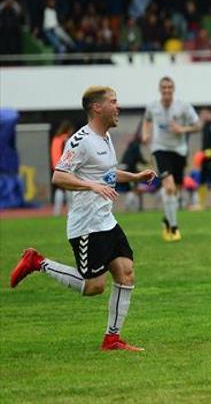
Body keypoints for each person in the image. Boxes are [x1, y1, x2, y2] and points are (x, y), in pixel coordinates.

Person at [9, 86, 157, 351]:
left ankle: (112, 339)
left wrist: (134, 177)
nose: (118, 106)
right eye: (113, 102)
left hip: (106, 221)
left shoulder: (106, 138)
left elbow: (106, 174)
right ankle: (37, 262)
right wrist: (91, 186)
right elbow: (59, 176)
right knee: (94, 287)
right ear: (97, 107)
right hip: (86, 226)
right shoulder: (79, 140)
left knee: (126, 273)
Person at [142, 76, 201, 242]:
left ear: (173, 89)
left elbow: (198, 126)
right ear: (160, 90)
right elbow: (146, 120)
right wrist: (146, 134)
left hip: (179, 151)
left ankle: (167, 219)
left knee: (176, 190)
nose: (167, 90)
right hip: (160, 149)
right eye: (164, 88)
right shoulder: (152, 106)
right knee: (169, 187)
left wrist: (182, 129)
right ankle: (174, 228)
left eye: (169, 88)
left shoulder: (183, 106)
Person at [50, 121, 74, 216]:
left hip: (55, 166)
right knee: (68, 188)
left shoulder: (56, 139)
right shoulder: (66, 140)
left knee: (59, 189)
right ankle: (70, 209)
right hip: (64, 166)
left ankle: (57, 211)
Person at [119, 133, 147, 212]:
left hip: (124, 168)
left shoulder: (131, 146)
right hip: (129, 169)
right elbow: (138, 157)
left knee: (133, 188)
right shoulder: (136, 146)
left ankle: (135, 207)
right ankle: (128, 207)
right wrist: (146, 162)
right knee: (133, 189)